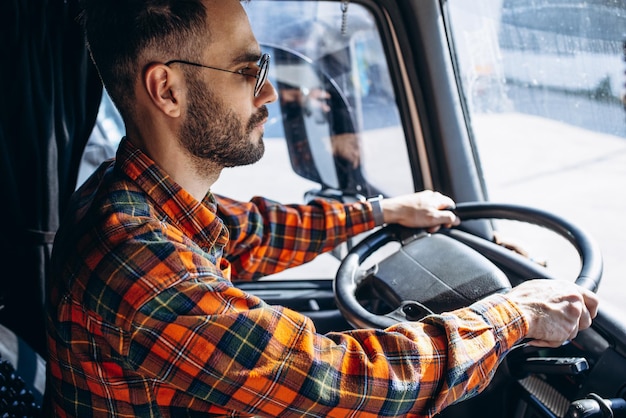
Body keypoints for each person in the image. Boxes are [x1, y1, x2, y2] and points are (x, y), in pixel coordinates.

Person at [45, 0, 599, 417]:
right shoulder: (140, 266)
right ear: (167, 90)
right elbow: (338, 380)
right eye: (247, 73)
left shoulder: (138, 200)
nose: (267, 95)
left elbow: (255, 229)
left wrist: (382, 211)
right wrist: (515, 314)